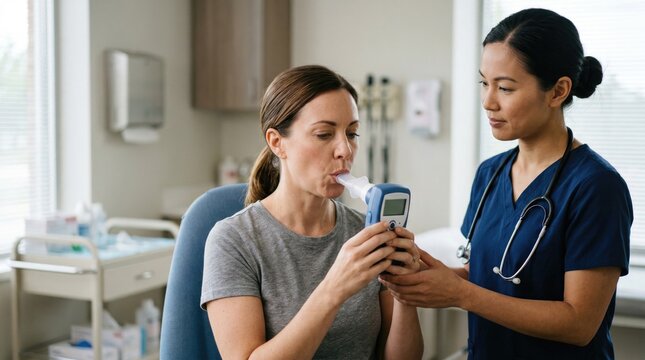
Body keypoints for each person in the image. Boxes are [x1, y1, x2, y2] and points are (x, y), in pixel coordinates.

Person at [379, 8, 633, 359]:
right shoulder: (490, 173)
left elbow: (579, 323)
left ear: (558, 90)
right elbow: (490, 274)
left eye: (505, 87)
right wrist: (429, 273)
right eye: (484, 83)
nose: (488, 101)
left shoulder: (596, 186)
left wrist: (459, 294)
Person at [200, 65, 424, 360]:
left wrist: (405, 293)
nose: (345, 149)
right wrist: (334, 289)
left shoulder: (366, 234)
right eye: (323, 134)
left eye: (352, 133)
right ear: (277, 142)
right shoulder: (234, 240)